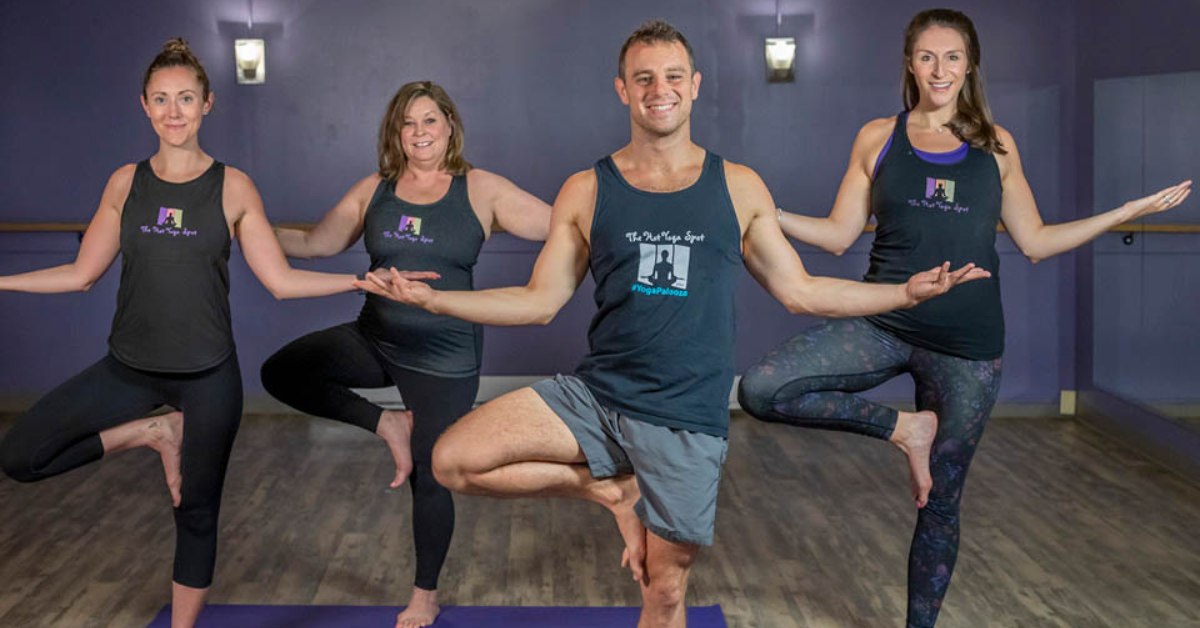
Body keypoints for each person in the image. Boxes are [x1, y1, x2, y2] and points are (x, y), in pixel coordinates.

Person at [356, 20, 988, 628]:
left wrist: (902, 293)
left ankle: (634, 511)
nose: (660, 90)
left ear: (695, 85)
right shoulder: (586, 189)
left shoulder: (738, 187)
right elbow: (537, 302)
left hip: (686, 418)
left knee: (663, 594)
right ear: (622, 89)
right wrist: (435, 301)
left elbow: (801, 291)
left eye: (673, 77)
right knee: (452, 460)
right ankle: (612, 493)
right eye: (645, 78)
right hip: (599, 397)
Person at [737, 9, 1192, 627]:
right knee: (763, 389)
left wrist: (1120, 213)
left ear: (970, 64)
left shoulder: (997, 147)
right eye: (927, 56)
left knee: (941, 501)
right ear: (909, 63)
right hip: (885, 323)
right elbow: (838, 235)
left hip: (968, 347)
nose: (940, 69)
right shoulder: (879, 137)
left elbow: (1034, 240)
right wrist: (761, 208)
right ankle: (905, 431)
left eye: (952, 57)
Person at [0, 39, 366, 628]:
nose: (174, 112)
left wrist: (359, 284)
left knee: (195, 511)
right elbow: (80, 273)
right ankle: (150, 430)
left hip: (208, 377)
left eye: (186, 99)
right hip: (129, 369)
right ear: (144, 106)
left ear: (207, 105)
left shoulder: (233, 187)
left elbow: (279, 280)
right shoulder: (125, 183)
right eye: (162, 100)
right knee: (19, 456)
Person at [261, 80, 551, 628]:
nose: (419, 133)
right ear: (396, 132)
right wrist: (248, 226)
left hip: (444, 357)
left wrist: (624, 219)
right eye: (408, 123)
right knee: (282, 371)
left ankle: (425, 594)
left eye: (429, 121)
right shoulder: (376, 188)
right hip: (376, 338)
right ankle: (387, 424)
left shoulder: (481, 189)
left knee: (431, 472)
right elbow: (318, 243)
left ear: (449, 126)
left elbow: (563, 223)